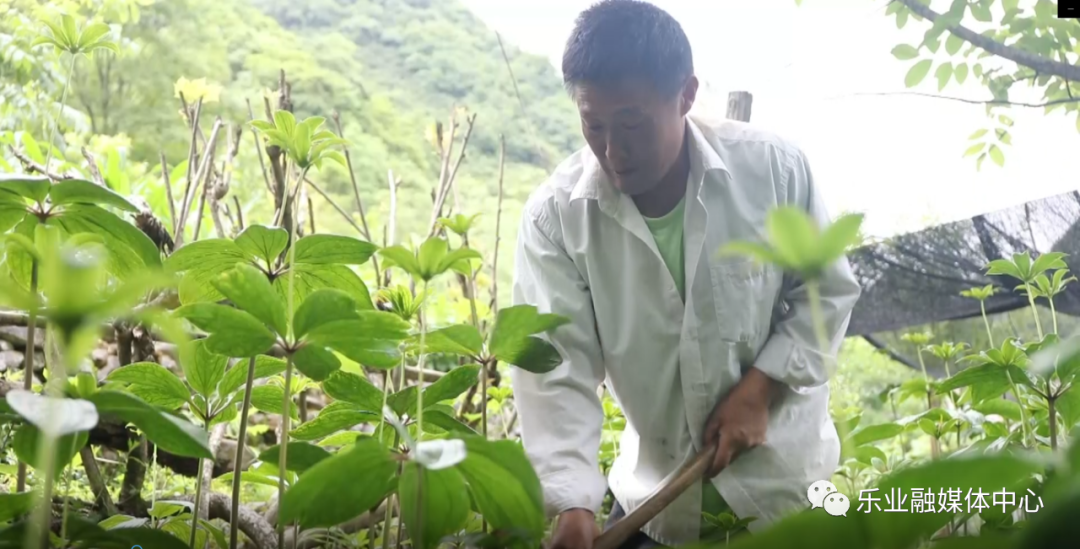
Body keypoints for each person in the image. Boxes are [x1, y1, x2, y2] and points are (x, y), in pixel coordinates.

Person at [507, 1, 863, 548]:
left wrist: (762, 386)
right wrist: (574, 503)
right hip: (657, 511)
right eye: (593, 124)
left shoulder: (774, 172)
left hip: (787, 503)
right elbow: (557, 369)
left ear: (686, 95)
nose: (612, 150)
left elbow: (827, 292)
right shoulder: (557, 220)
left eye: (631, 124)